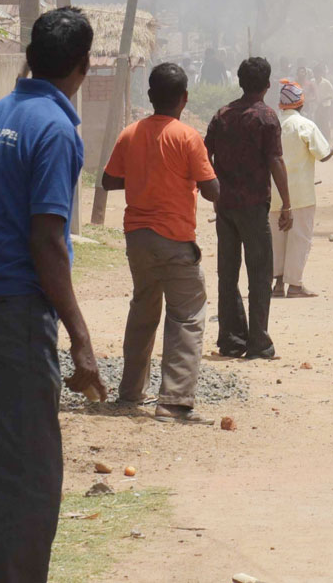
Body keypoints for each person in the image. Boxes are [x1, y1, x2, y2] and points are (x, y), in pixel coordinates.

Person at [0, 7, 106, 581]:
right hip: (13, 311)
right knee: (30, 473)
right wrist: (81, 340)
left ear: (30, 57)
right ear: (83, 67)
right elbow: (47, 242)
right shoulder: (56, 130)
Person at [102, 63, 220, 422]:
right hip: (175, 239)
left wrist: (144, 177)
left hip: (137, 239)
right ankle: (174, 401)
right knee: (186, 315)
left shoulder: (130, 134)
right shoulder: (187, 137)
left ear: (150, 96)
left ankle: (130, 392)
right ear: (184, 99)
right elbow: (212, 191)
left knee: (143, 309)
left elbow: (108, 181)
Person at [205, 57, 293, 360]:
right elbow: (275, 161)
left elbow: (205, 156)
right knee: (259, 273)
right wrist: (288, 205)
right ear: (267, 85)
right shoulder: (266, 118)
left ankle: (231, 340)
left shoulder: (222, 115)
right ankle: (258, 342)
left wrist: (212, 191)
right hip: (254, 207)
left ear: (240, 82)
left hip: (225, 207)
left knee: (227, 274)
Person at [272, 79, 333, 298]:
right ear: (301, 104)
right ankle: (294, 285)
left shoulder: (273, 125)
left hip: (275, 194)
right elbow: (323, 155)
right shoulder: (305, 125)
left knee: (277, 240)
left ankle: (277, 285)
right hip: (301, 195)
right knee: (299, 238)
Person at [313, 62, 333, 137]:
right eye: (315, 73)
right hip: (315, 106)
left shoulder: (326, 82)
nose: (316, 74)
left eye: (318, 73)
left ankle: (327, 137)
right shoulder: (312, 82)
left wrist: (324, 99)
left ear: (321, 73)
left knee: (325, 122)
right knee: (317, 122)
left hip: (325, 106)